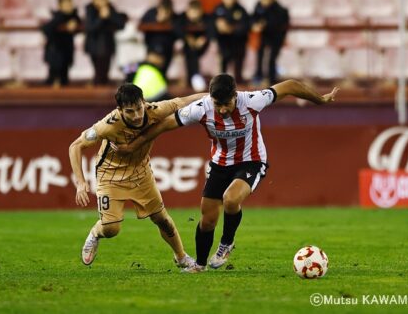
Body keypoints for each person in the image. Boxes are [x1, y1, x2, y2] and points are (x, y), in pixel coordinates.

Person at [111, 74, 339, 272]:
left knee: (231, 199)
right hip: (220, 165)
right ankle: (199, 265)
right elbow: (164, 124)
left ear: (235, 95)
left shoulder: (252, 100)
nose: (221, 109)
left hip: (252, 161)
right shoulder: (202, 107)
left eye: (226, 104)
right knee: (207, 219)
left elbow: (289, 85)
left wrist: (320, 99)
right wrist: (132, 146)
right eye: (217, 103)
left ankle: (226, 244)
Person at [69, 83, 207, 267]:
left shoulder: (155, 110)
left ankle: (181, 257)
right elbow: (75, 146)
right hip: (110, 175)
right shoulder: (108, 126)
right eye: (129, 111)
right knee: (111, 229)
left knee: (161, 219)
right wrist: (80, 182)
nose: (136, 116)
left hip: (141, 173)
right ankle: (95, 233)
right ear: (119, 110)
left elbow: (183, 101)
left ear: (144, 102)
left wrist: (213, 95)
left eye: (139, 108)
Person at [84, 0, 127, 85]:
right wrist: (101, 18)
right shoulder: (90, 9)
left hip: (107, 46)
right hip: (94, 47)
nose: (100, 1)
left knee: (104, 74)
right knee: (99, 74)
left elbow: (121, 24)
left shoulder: (110, 8)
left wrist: (109, 15)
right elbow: (90, 28)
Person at [252, 0, 289, 85]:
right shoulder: (259, 5)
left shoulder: (280, 9)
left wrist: (264, 24)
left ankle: (271, 80)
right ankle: (259, 76)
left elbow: (278, 24)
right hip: (264, 36)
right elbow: (254, 18)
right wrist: (255, 25)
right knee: (260, 55)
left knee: (272, 59)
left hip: (276, 37)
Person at [41, 0, 81, 87]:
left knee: (64, 79)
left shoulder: (74, 17)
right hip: (55, 53)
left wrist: (74, 23)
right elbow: (46, 29)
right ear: (60, 5)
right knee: (52, 79)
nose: (68, 6)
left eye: (69, 3)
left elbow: (79, 23)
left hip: (66, 52)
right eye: (65, 4)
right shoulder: (57, 17)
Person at [212, 0, 250, 84]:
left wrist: (231, 29)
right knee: (223, 66)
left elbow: (245, 26)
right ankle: (221, 84)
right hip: (224, 43)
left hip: (238, 43)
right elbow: (211, 24)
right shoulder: (218, 9)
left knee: (238, 66)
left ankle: (239, 84)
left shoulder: (241, 10)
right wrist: (218, 27)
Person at [140, 0, 180, 75]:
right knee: (149, 72)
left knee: (161, 75)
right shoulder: (151, 13)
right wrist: (156, 21)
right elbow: (141, 26)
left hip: (167, 51)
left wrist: (168, 23)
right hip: (151, 47)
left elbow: (179, 33)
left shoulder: (175, 18)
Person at [179, 0, 213, 90]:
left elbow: (212, 29)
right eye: (192, 11)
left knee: (193, 53)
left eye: (196, 11)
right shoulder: (182, 18)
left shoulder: (207, 18)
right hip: (187, 46)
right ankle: (194, 77)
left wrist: (204, 38)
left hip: (202, 45)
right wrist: (187, 37)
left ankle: (194, 77)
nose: (194, 14)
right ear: (187, 11)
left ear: (201, 11)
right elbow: (177, 28)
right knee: (190, 52)